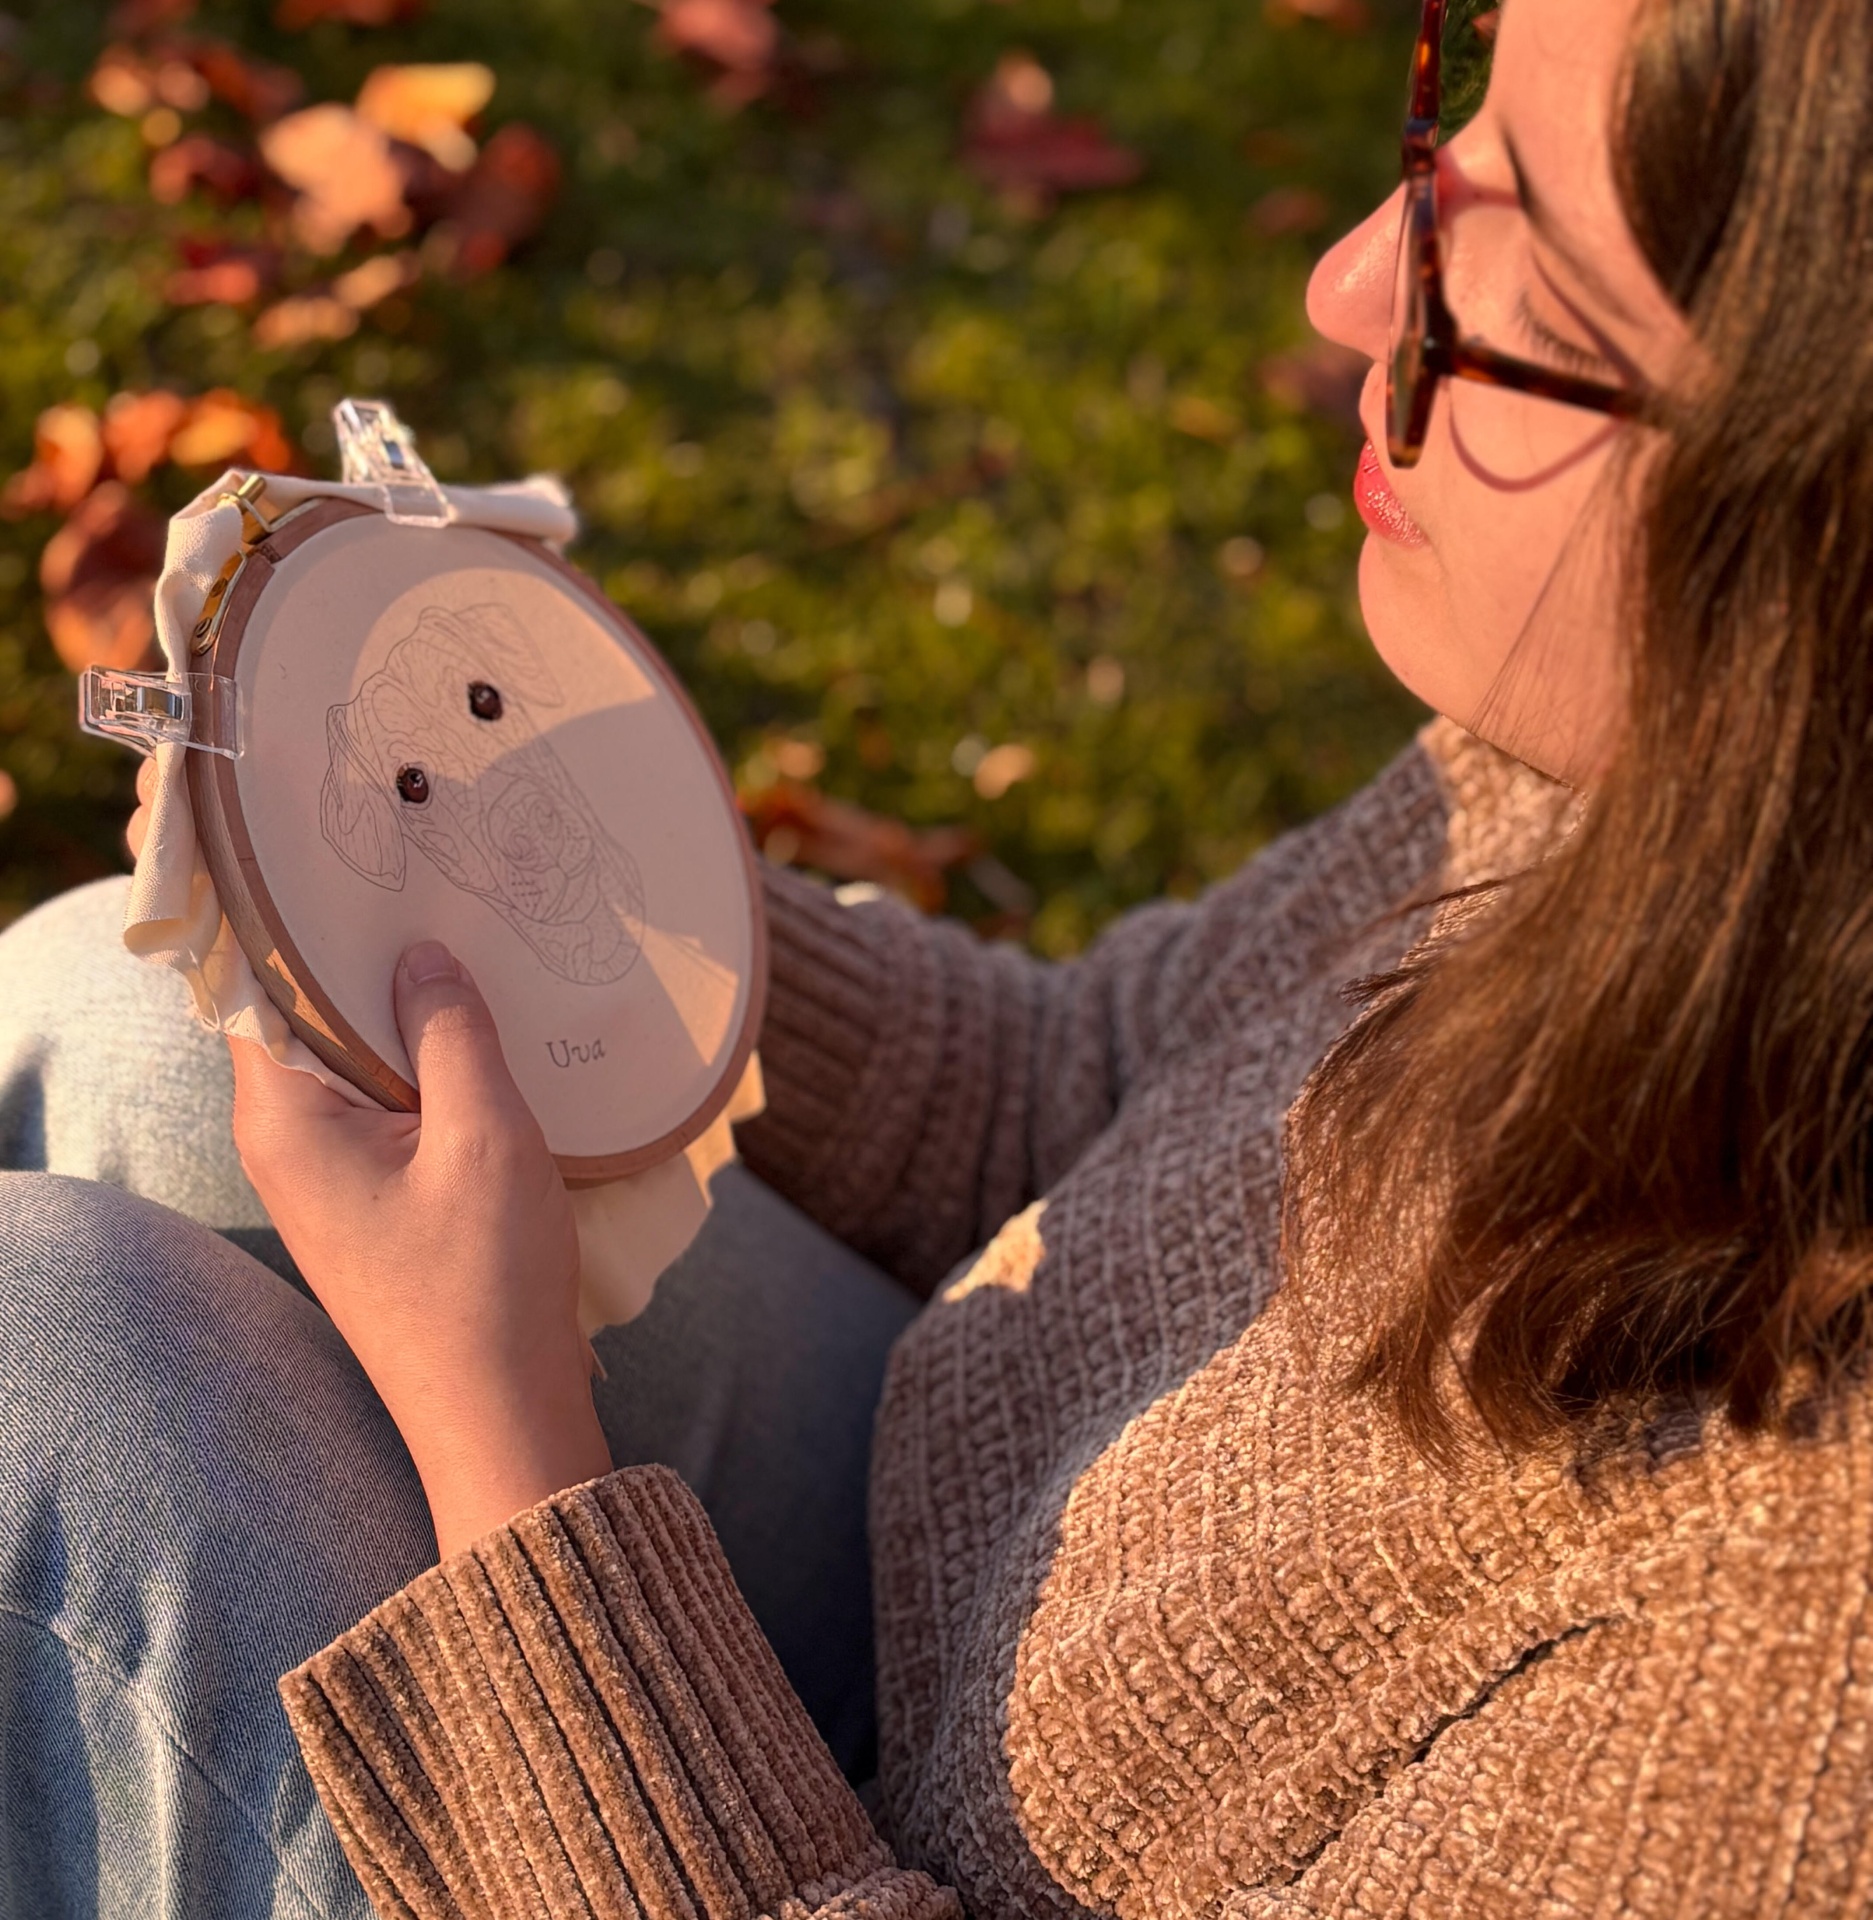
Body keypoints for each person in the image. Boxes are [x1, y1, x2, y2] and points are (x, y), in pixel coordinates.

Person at [2, 0, 1869, 1911]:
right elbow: (1099, 1083)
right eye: (1438, 135)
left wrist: (505, 1447)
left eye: (1510, 295)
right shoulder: (1654, 768)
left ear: (1811, 531)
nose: (1340, 294)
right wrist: (564, 878)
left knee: (31, 1367)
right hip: (949, 1574)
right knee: (136, 1008)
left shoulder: (1797, 1731)